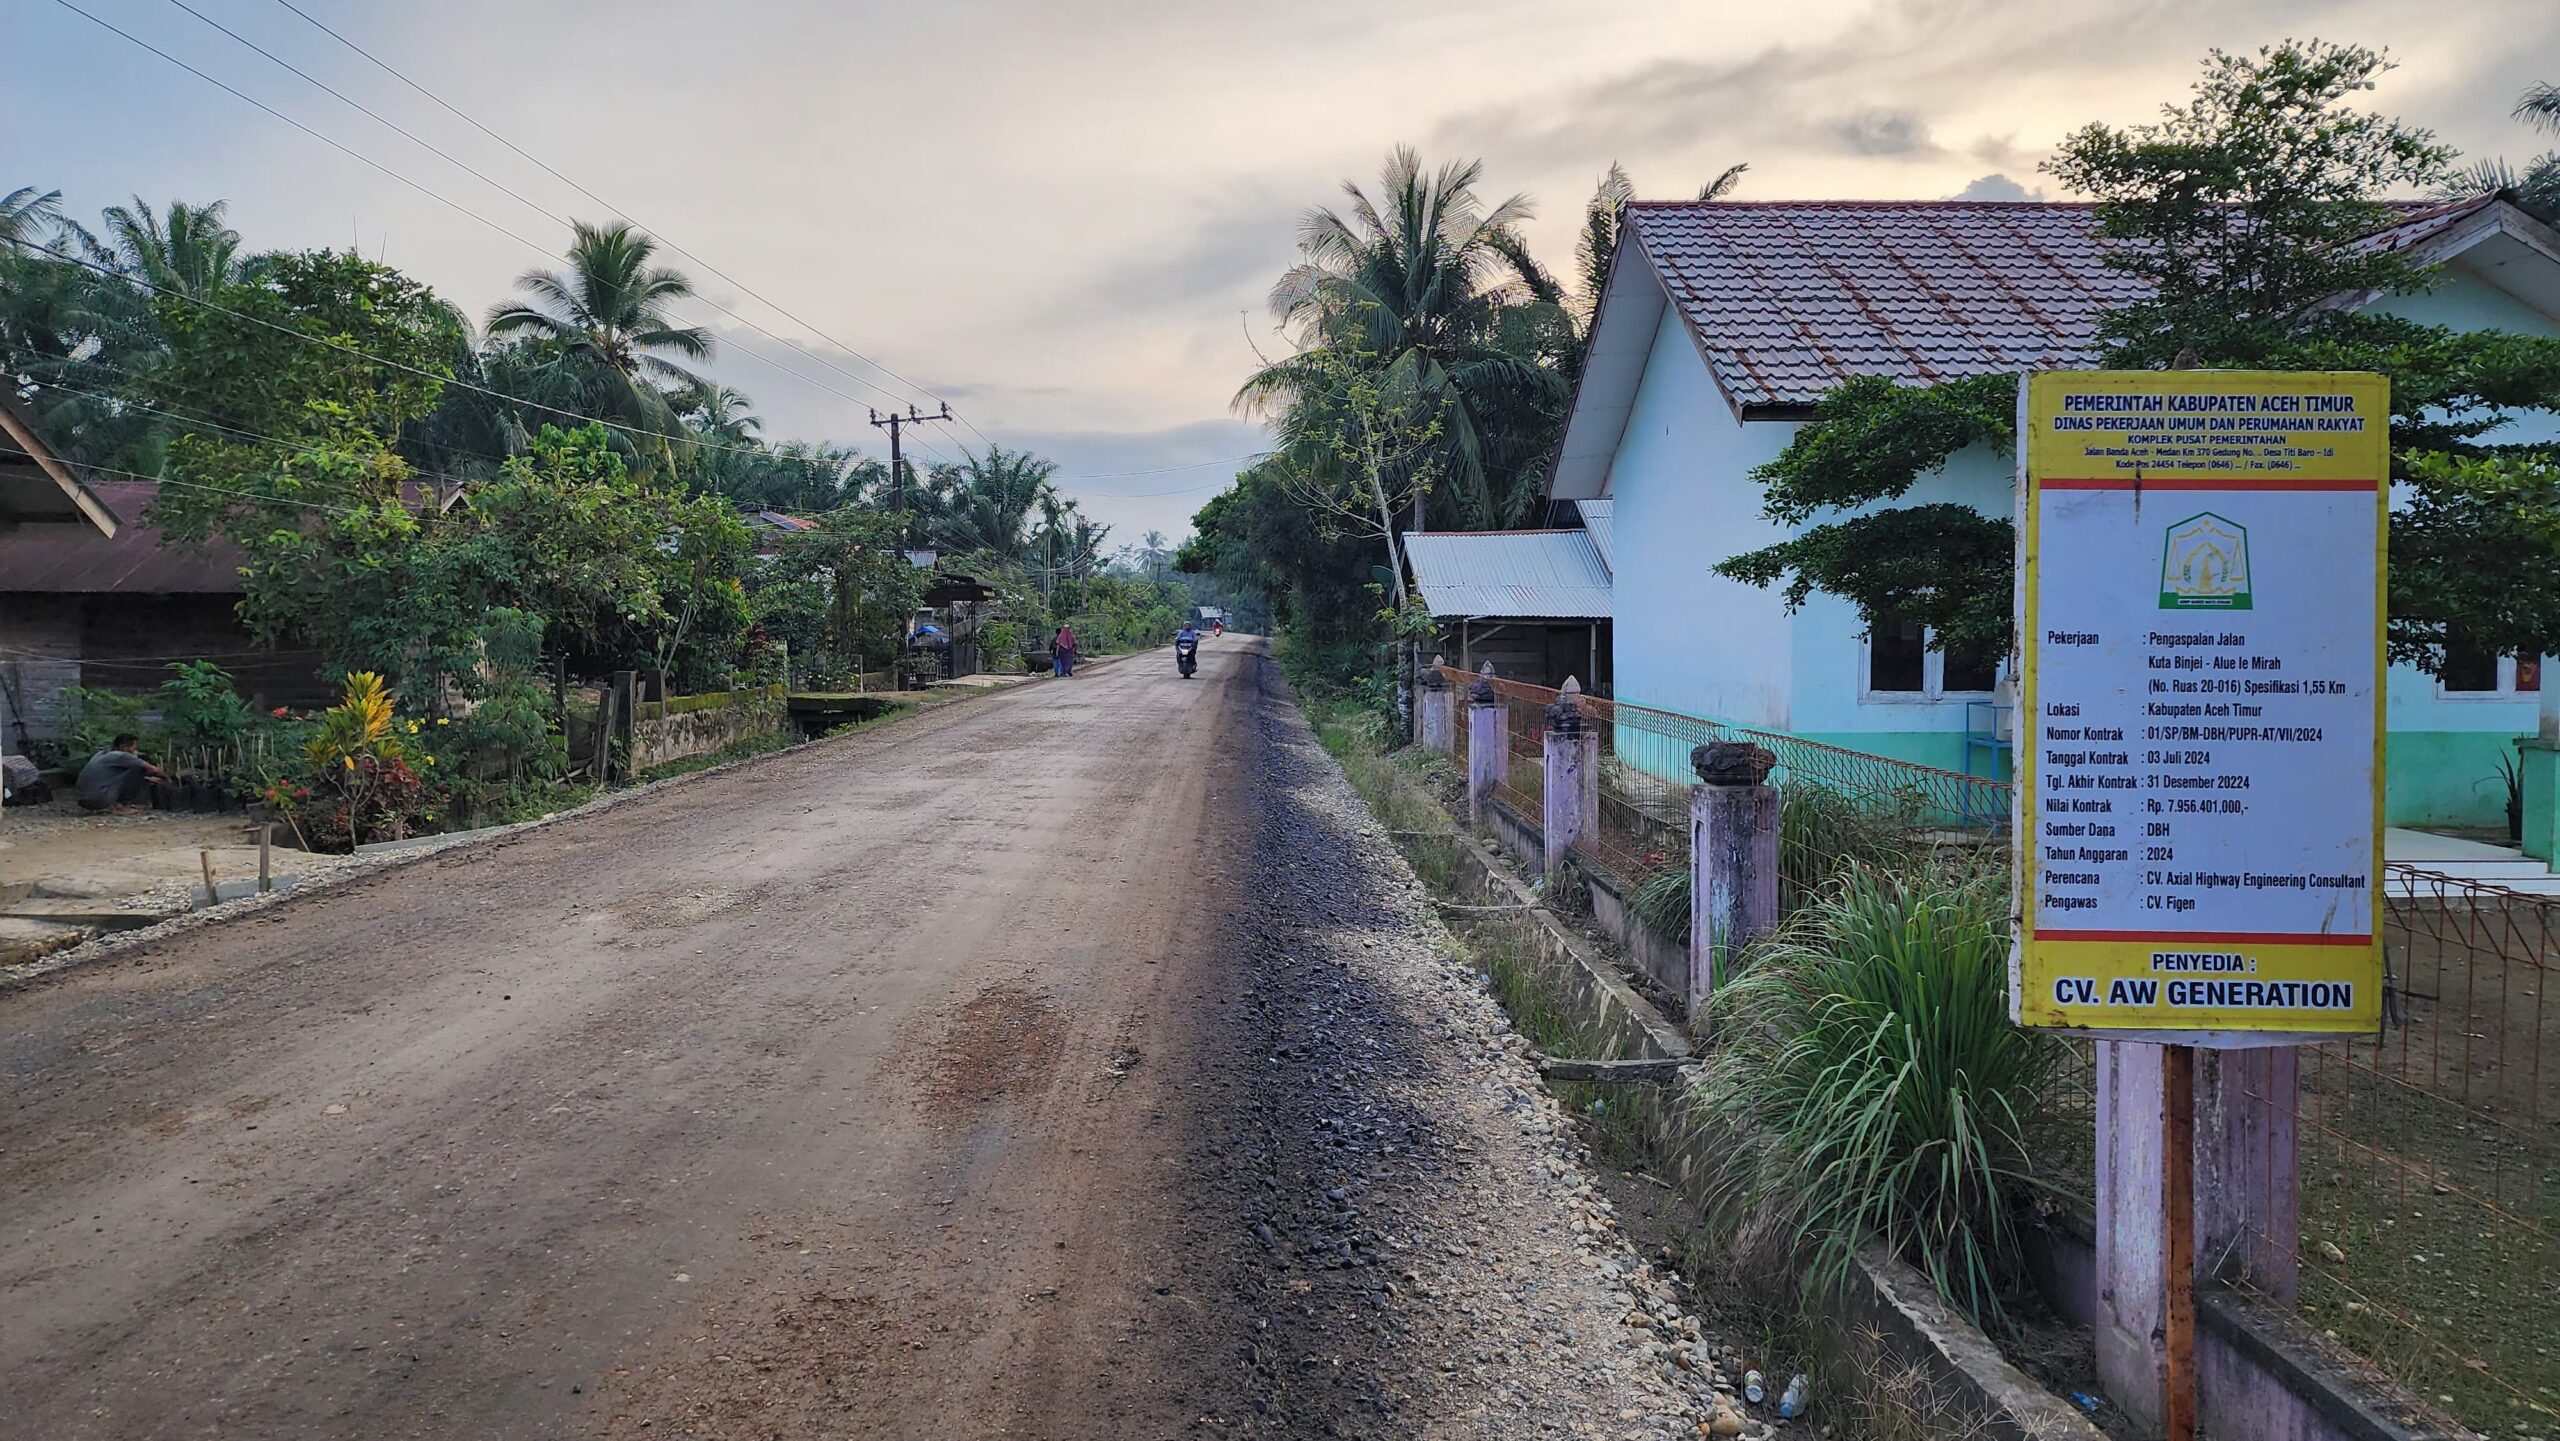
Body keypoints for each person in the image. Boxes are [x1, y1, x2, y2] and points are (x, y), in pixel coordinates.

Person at [76, 733, 165, 815]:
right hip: (100, 800)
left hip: (82, 800)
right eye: (134, 749)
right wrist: (168, 779)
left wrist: (147, 778)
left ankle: (111, 804)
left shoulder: (101, 754)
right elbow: (154, 770)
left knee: (134, 768)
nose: (135, 751)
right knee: (137, 767)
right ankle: (120, 806)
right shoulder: (122, 756)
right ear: (124, 747)